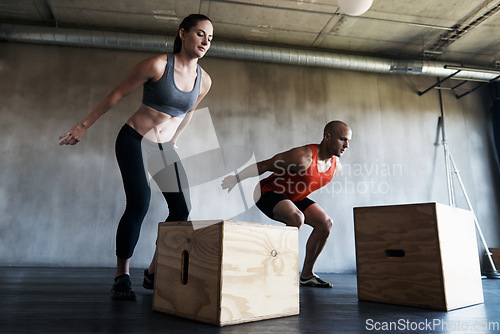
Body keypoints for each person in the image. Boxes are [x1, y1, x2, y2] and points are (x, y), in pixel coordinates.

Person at [58, 14, 214, 300]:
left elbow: (188, 111)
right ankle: (122, 275)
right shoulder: (157, 65)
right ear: (183, 33)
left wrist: (174, 141)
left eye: (210, 38)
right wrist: (83, 126)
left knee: (181, 210)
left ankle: (153, 272)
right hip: (133, 140)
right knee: (140, 202)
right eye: (200, 34)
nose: (206, 41)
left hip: (163, 148)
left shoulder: (204, 81)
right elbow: (116, 95)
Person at [221, 121, 352, 288]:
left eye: (348, 141)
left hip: (294, 195)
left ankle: (306, 275)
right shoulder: (303, 158)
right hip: (267, 191)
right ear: (327, 137)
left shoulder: (336, 167)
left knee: (325, 224)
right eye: (343, 140)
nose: (346, 145)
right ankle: (277, 270)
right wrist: (235, 179)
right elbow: (266, 164)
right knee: (297, 218)